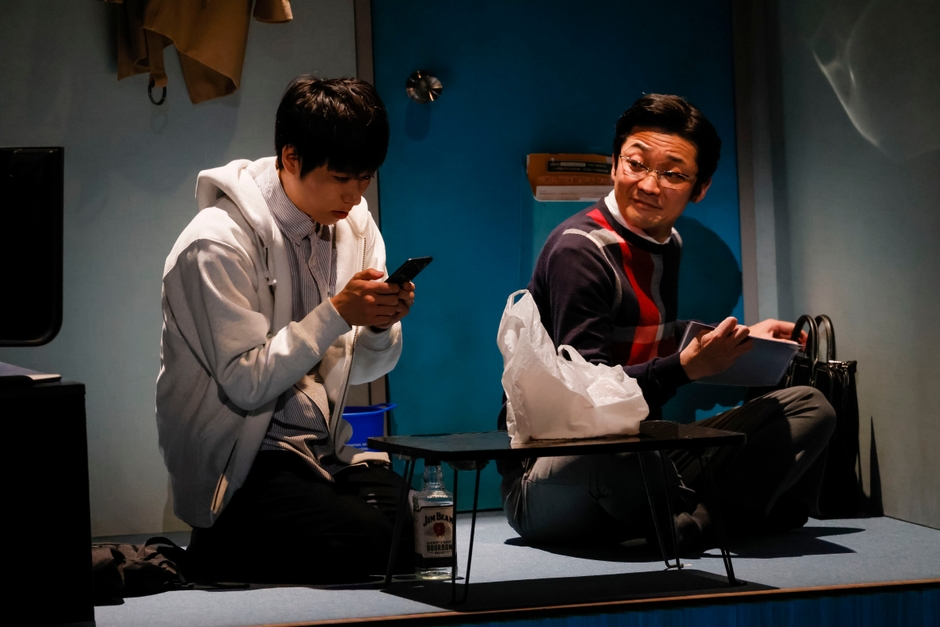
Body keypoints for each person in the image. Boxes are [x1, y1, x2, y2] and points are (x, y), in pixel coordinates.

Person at [498, 94, 836, 549]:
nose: (649, 185)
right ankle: (709, 519)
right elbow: (588, 403)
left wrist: (737, 341)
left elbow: (642, 332)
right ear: (614, 164)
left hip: (645, 449)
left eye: (673, 174)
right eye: (636, 164)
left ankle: (689, 521)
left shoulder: (667, 242)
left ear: (700, 188)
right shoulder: (579, 251)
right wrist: (685, 368)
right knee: (621, 457)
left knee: (810, 406)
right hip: (557, 468)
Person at [156, 76, 415, 583]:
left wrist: (378, 326)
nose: (354, 195)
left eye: (365, 178)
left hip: (323, 452)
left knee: (420, 536)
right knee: (368, 545)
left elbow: (365, 368)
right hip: (244, 463)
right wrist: (338, 313)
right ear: (291, 158)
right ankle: (219, 543)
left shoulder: (354, 225)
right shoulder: (216, 243)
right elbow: (245, 382)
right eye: (341, 177)